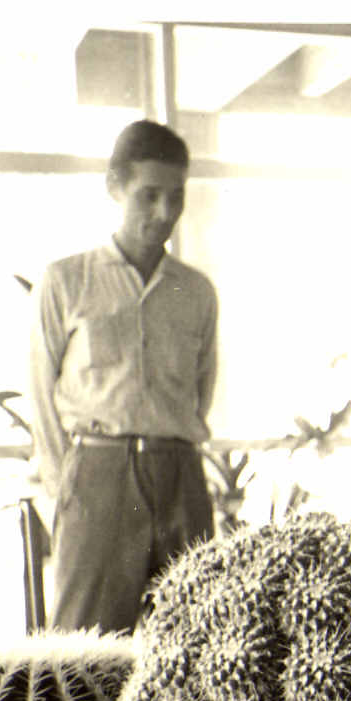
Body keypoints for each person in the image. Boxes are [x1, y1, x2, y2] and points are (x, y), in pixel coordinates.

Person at [28, 119, 218, 634]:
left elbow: (201, 392)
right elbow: (41, 394)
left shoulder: (197, 292)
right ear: (115, 187)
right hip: (99, 476)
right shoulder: (65, 282)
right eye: (148, 196)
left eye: (176, 197)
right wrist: (67, 490)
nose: (164, 213)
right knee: (84, 647)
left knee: (194, 639)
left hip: (180, 476)